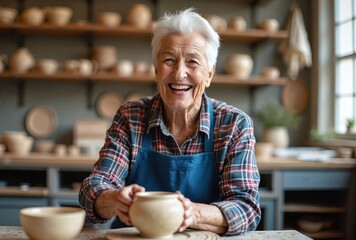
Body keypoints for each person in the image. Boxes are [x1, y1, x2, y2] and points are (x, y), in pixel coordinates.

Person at [78, 8, 261, 236]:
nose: (179, 73)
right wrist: (114, 199)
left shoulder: (234, 124)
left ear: (209, 74)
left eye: (192, 62)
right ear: (156, 70)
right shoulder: (131, 117)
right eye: (169, 60)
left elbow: (246, 208)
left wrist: (193, 213)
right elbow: (92, 189)